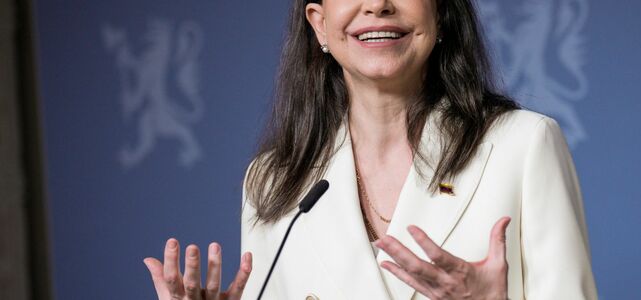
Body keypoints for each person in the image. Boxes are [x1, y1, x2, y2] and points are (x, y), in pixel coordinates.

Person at [144, 0, 598, 299]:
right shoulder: (273, 181)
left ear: (439, 13)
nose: (378, 4)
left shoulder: (523, 145)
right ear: (319, 24)